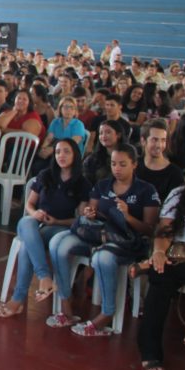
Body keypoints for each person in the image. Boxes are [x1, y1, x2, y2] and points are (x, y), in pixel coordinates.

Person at [47, 144, 160, 336]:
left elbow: (149, 230)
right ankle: (66, 306)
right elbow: (94, 215)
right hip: (99, 236)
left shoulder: (146, 190)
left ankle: (106, 313)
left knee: (102, 258)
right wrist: (90, 214)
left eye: (123, 164)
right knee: (58, 242)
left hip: (126, 243)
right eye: (114, 164)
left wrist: (128, 216)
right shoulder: (103, 186)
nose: (117, 168)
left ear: (134, 165)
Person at [0, 139, 92, 318]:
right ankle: (44, 277)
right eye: (58, 152)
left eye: (66, 152)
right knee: (26, 222)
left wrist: (56, 221)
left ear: (75, 155)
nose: (61, 156)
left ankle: (18, 299)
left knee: (25, 247)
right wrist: (35, 213)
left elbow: (79, 220)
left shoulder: (82, 183)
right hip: (38, 224)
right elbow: (29, 205)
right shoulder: (46, 175)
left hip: (61, 228)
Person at [136, 152, 185, 370]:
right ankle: (149, 350)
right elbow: (164, 230)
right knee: (161, 273)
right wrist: (159, 251)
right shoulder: (180, 195)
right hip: (181, 256)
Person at [137, 119, 184, 204]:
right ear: (143, 141)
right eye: (155, 139)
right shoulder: (133, 166)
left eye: (163, 140)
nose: (159, 145)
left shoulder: (175, 173)